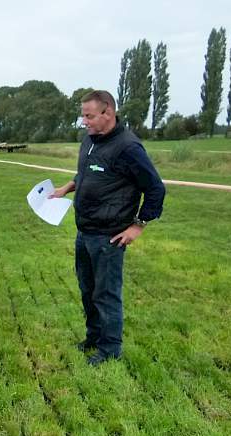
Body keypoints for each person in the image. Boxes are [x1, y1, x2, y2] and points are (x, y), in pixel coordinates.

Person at [50, 90, 166, 365]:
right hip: (85, 232)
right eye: (83, 115)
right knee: (87, 290)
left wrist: (138, 226)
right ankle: (94, 336)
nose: (84, 121)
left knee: (106, 293)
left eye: (89, 116)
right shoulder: (90, 140)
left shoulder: (128, 148)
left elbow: (155, 189)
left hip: (109, 236)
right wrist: (68, 187)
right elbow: (87, 172)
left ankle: (110, 349)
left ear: (108, 113)